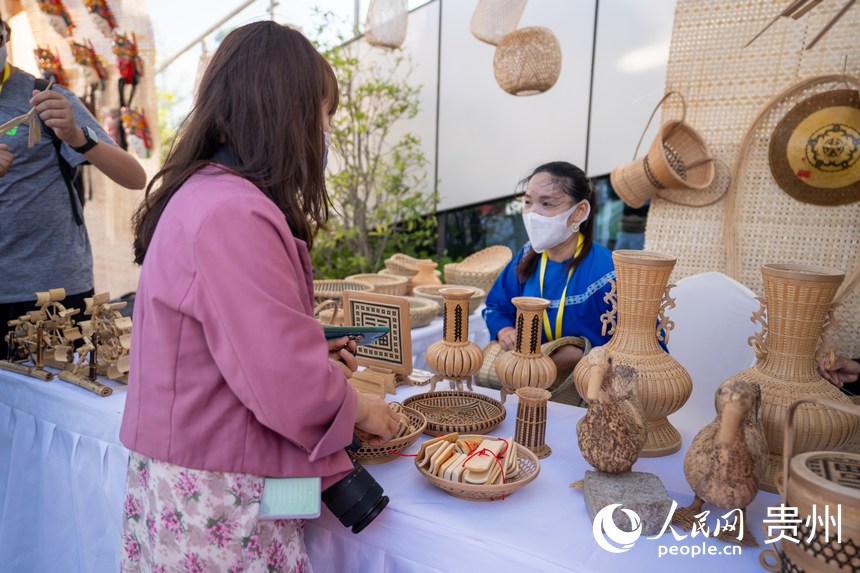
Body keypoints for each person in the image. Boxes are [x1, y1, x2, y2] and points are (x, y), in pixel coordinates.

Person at [120, 22, 400, 571]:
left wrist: (310, 348)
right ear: (285, 112)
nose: (324, 134)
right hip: (222, 493)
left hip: (200, 473)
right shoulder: (232, 212)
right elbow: (281, 378)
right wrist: (359, 406)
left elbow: (235, 340)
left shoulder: (203, 193)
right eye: (323, 116)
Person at [0, 16, 146, 358]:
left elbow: (134, 177)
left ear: (6, 33)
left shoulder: (45, 95)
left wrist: (77, 137)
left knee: (65, 398)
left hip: (55, 291)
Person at [482, 162, 616, 399]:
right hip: (528, 390)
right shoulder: (526, 256)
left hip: (587, 397)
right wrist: (504, 329)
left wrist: (576, 355)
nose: (533, 214)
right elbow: (496, 306)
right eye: (527, 202)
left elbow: (634, 347)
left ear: (579, 212)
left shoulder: (608, 272)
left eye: (546, 204)